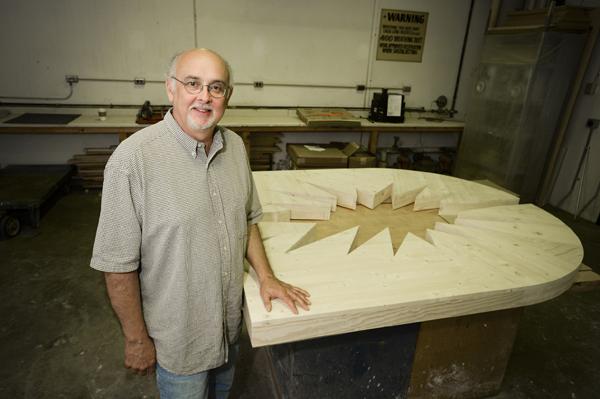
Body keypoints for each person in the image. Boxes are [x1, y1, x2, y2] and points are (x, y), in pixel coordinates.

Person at [90, 48, 311, 399]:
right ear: (170, 89)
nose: (204, 97)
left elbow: (248, 220)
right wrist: (136, 339)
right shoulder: (132, 162)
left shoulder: (235, 147)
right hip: (179, 346)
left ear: (228, 96)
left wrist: (266, 277)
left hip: (227, 330)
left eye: (216, 87)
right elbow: (117, 268)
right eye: (192, 83)